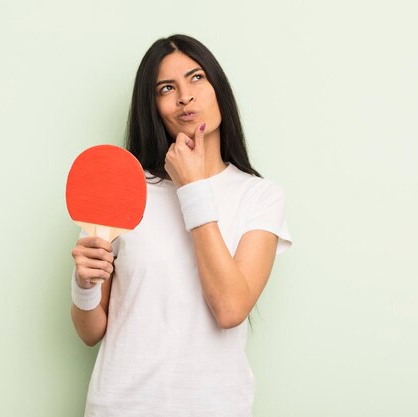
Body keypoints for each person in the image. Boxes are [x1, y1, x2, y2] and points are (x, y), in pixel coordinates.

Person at [69, 34, 292, 417]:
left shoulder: (260, 196)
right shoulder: (122, 189)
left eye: (197, 78)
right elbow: (90, 332)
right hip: (120, 406)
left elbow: (230, 308)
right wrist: (84, 284)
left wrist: (192, 188)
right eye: (166, 88)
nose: (184, 97)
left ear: (218, 88)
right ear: (153, 107)